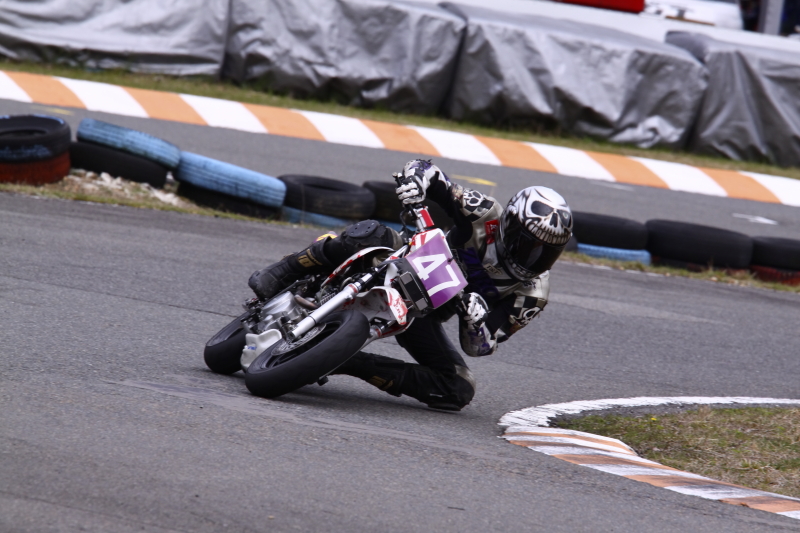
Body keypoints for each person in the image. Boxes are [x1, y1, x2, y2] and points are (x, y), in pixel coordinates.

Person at [248, 159, 573, 411]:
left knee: (458, 388)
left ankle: (341, 359)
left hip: (423, 314)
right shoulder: (483, 212)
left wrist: (475, 323)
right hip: (402, 258)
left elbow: (481, 346)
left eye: (547, 253)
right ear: (508, 225)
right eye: (527, 244)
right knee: (371, 233)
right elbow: (428, 170)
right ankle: (287, 268)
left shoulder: (532, 294)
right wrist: (415, 185)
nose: (533, 257)